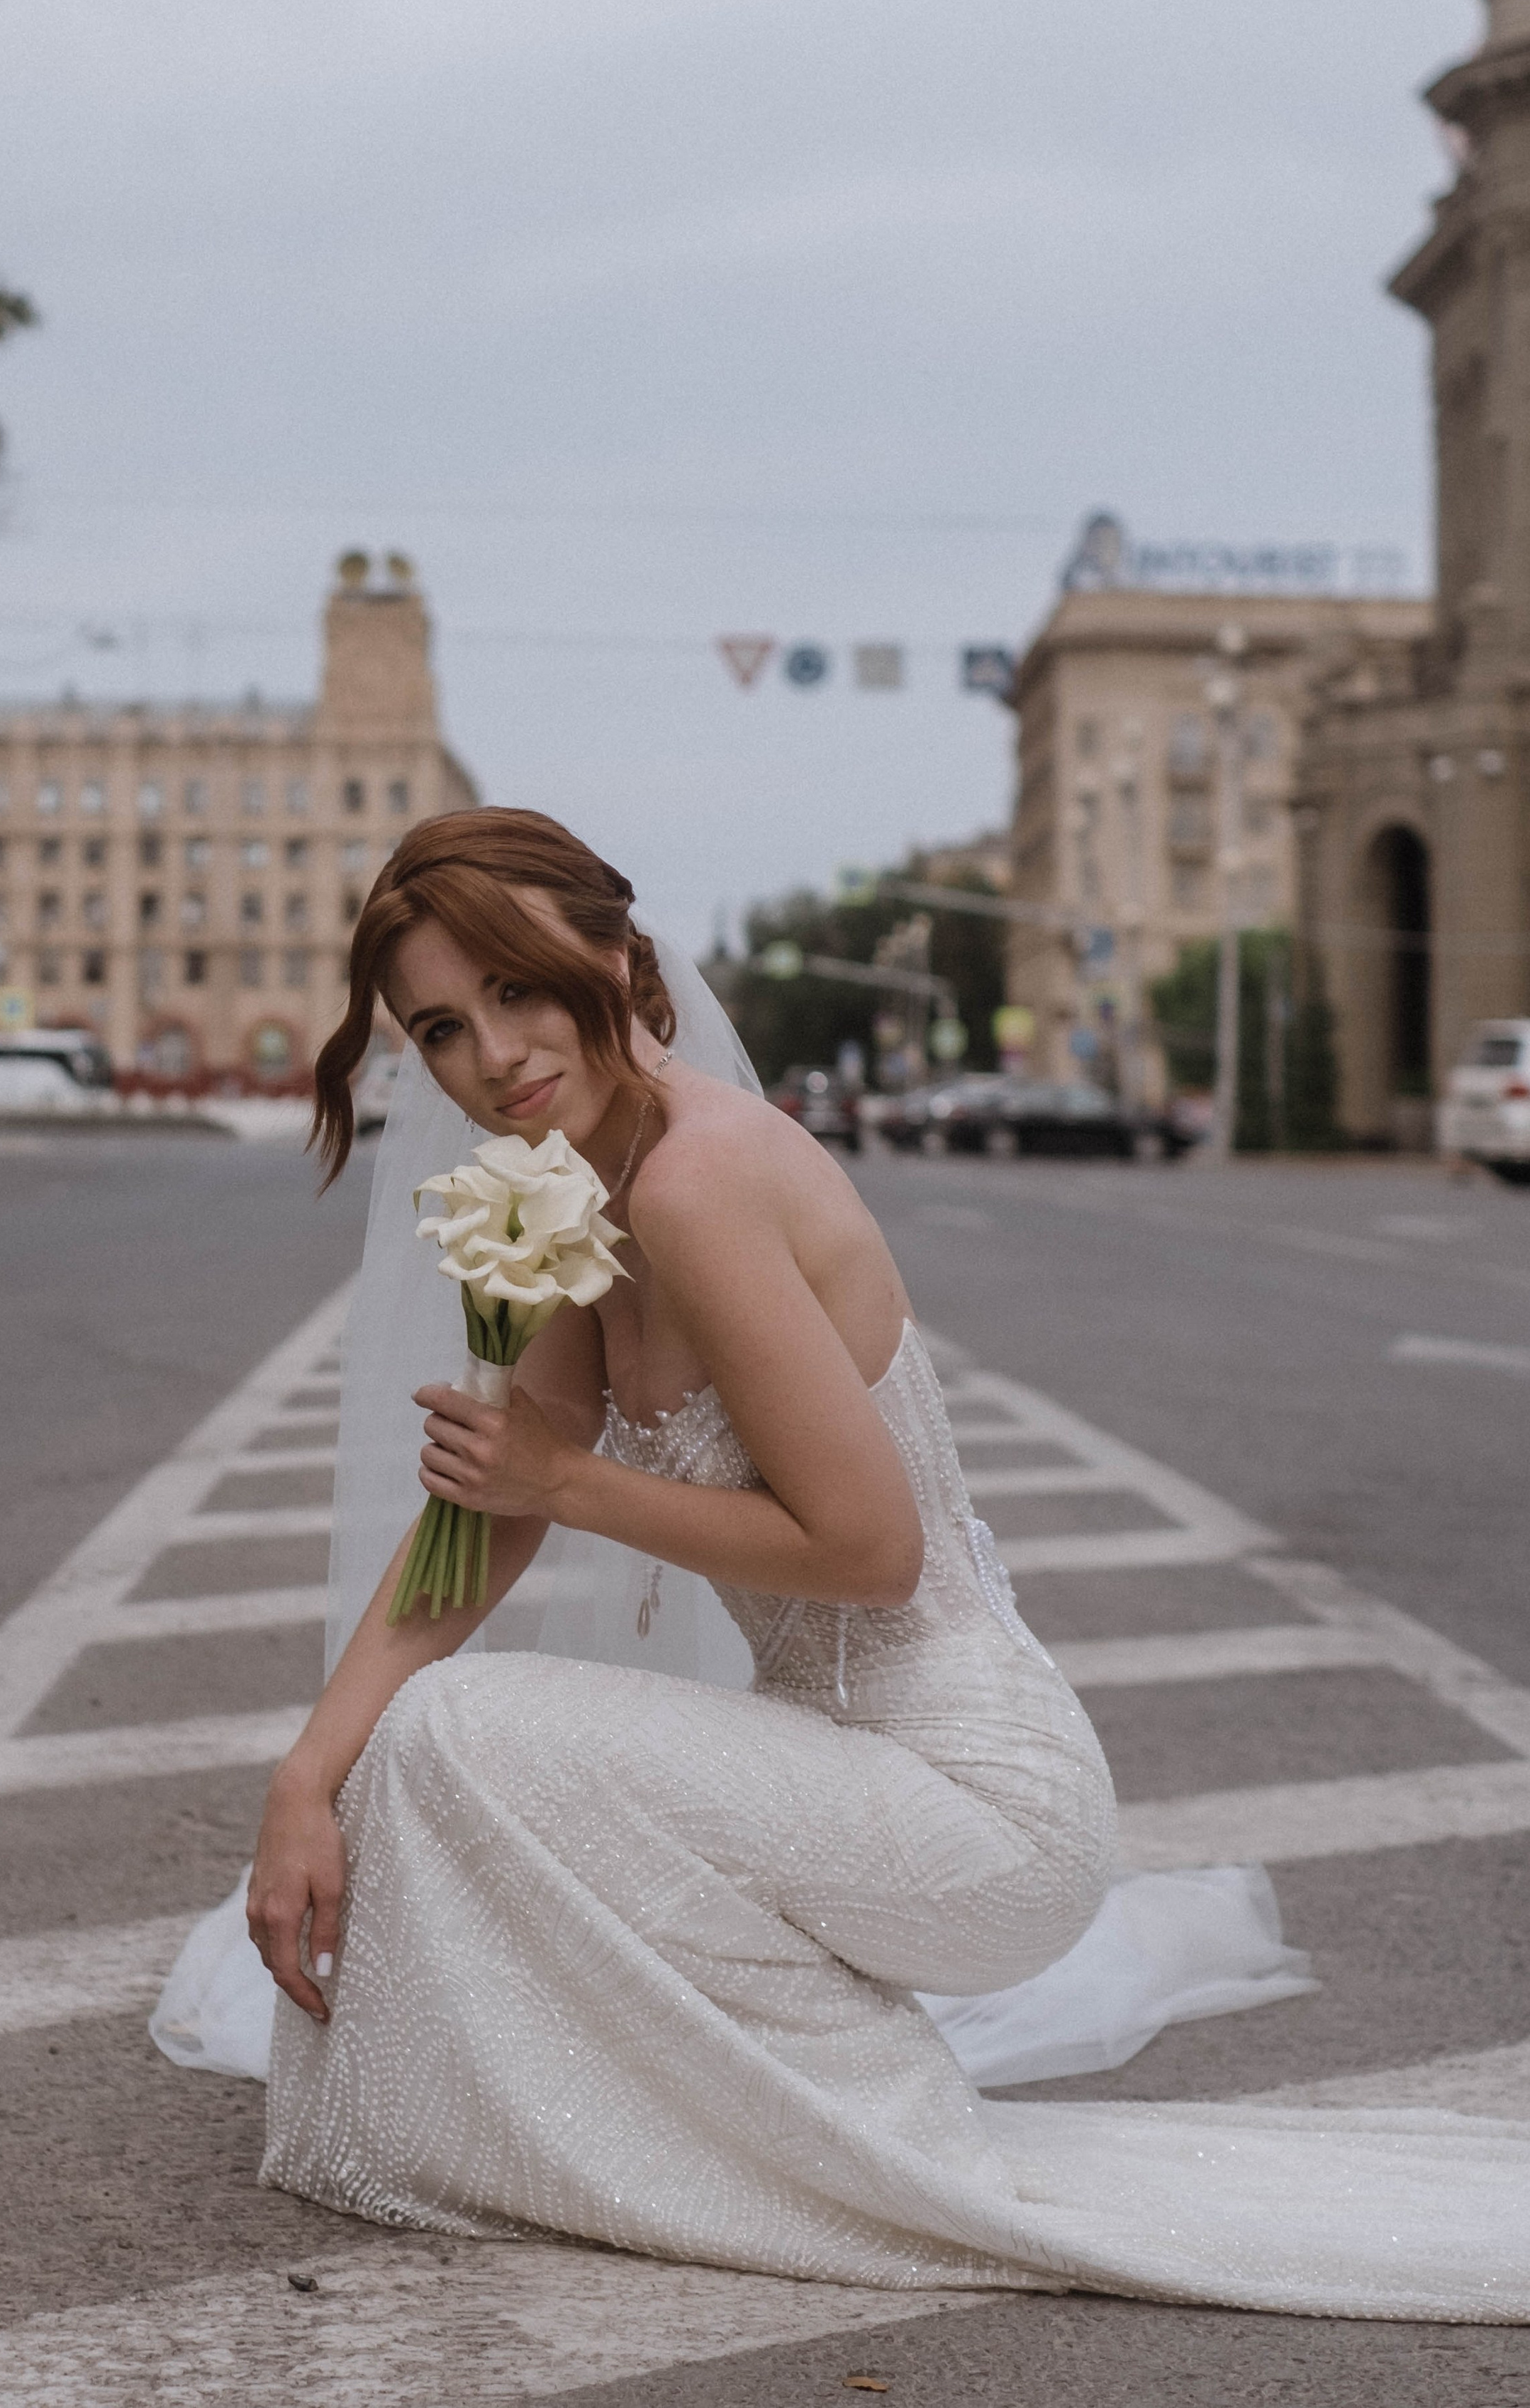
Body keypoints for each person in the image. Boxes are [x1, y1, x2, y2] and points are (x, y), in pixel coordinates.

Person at [229, 808, 1528, 2318]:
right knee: (407, 1753)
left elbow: (864, 1552)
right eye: (441, 1027)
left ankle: (810, 2140)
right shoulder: (566, 1193)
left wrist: (568, 1480)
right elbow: (493, 1507)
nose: (494, 1054)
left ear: (617, 953)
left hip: (972, 1805)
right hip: (826, 1769)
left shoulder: (698, 1180)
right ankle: (679, 2121)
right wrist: (304, 1774)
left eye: (520, 987)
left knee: (458, 1732)